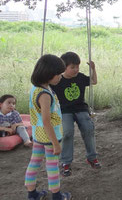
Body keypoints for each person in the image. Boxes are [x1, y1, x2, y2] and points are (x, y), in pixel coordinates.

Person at [25, 54, 72, 200]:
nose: (60, 77)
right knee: (52, 166)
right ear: (48, 74)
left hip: (39, 135)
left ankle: (32, 194)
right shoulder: (45, 95)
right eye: (58, 74)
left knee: (34, 162)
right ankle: (57, 196)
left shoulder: (37, 88)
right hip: (49, 137)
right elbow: (46, 121)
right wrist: (55, 144)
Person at [51, 51, 100, 177]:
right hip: (64, 110)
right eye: (72, 67)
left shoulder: (81, 77)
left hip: (80, 108)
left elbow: (94, 81)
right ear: (63, 68)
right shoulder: (57, 80)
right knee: (67, 132)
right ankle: (65, 162)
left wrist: (93, 69)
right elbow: (45, 85)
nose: (76, 69)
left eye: (77, 66)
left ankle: (92, 157)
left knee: (88, 128)